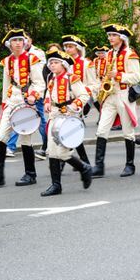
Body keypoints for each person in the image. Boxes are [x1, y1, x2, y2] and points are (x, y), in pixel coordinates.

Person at [0, 29, 45, 189]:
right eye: (14, 40)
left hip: (26, 100)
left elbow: (40, 82)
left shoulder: (33, 59)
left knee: (25, 138)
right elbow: (6, 84)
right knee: (2, 135)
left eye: (20, 40)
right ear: (9, 44)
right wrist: (4, 105)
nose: (18, 43)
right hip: (12, 99)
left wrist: (33, 95)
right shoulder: (7, 61)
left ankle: (30, 174)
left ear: (24, 42)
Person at [40, 49, 93, 196]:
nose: (52, 65)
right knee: (51, 151)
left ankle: (84, 168)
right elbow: (48, 94)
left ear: (63, 64)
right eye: (51, 62)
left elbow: (84, 95)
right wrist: (46, 102)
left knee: (62, 153)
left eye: (56, 62)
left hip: (67, 116)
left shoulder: (72, 78)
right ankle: (56, 185)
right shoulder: (51, 79)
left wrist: (75, 105)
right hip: (54, 116)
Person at [92, 24, 140, 178]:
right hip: (110, 95)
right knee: (101, 130)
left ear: (121, 37)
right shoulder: (109, 54)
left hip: (124, 94)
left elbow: (136, 77)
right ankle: (99, 166)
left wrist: (118, 75)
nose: (110, 38)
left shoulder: (129, 54)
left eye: (113, 35)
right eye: (109, 36)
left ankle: (130, 165)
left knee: (127, 131)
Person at [62, 34, 99, 165]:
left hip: (80, 102)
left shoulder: (86, 63)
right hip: (65, 101)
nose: (67, 49)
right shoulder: (63, 63)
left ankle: (69, 162)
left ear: (77, 48)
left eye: (70, 46)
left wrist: (83, 95)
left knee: (69, 130)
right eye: (66, 46)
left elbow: (94, 85)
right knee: (70, 131)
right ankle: (84, 162)